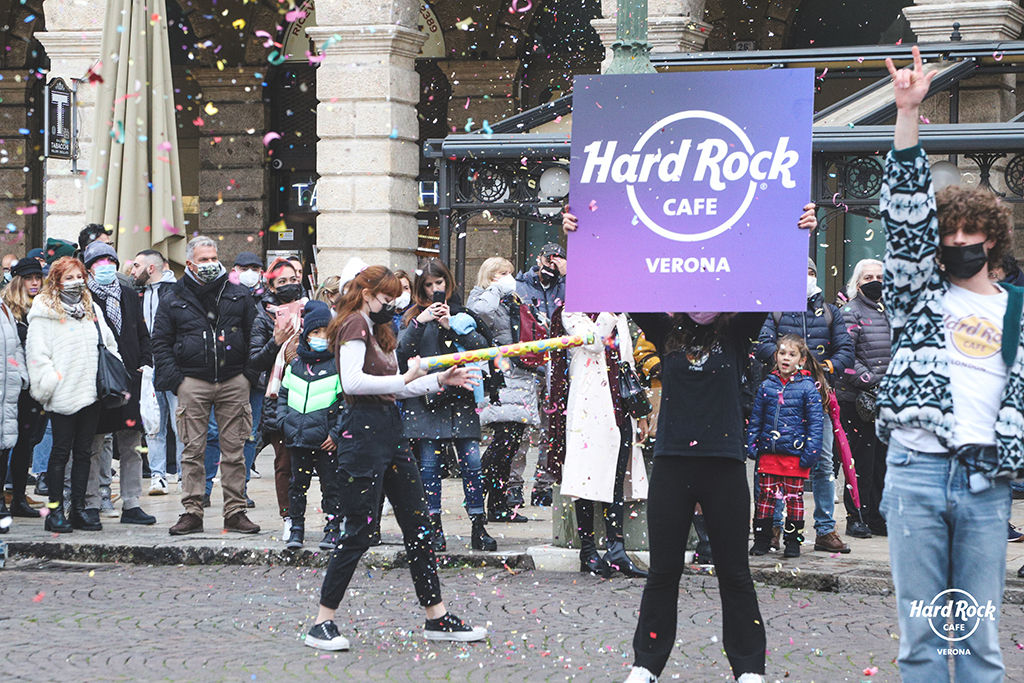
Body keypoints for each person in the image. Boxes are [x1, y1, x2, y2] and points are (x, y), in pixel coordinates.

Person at [564, 202, 817, 683]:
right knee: (663, 573)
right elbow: (611, 282)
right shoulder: (666, 330)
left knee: (734, 574)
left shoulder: (739, 331)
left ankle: (748, 668)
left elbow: (773, 276)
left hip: (722, 465)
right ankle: (646, 665)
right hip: (674, 463)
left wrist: (798, 229)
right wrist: (583, 234)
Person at [878, 46, 1022, 682]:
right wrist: (907, 113)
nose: (960, 243)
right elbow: (904, 213)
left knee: (979, 639)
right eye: (950, 234)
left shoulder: (1017, 310)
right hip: (915, 470)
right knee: (921, 639)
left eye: (972, 234)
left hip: (985, 483)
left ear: (994, 239)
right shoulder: (918, 295)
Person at [305, 265, 487, 651]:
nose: (392, 303)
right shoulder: (353, 323)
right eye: (386, 296)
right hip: (361, 433)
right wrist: (406, 379)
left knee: (418, 525)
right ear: (366, 291)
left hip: (389, 431)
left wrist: (437, 380)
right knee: (357, 530)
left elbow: (393, 389)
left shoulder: (379, 329)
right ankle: (322, 621)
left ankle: (436, 616)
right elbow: (354, 382)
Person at [152, 236, 260, 536]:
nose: (211, 264)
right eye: (204, 260)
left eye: (214, 258)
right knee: (192, 451)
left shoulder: (238, 294)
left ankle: (235, 512)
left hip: (233, 380)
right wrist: (177, 381)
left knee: (234, 451)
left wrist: (248, 374)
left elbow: (255, 335)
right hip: (192, 381)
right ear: (190, 264)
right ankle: (192, 512)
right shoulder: (173, 297)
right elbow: (160, 342)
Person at [755, 258, 854, 555]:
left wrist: (821, 369)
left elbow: (846, 350)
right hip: (781, 403)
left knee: (823, 465)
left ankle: (824, 529)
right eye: (800, 272)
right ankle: (773, 527)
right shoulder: (775, 311)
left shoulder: (831, 313)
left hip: (817, 401)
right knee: (775, 465)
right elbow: (762, 344)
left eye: (811, 272)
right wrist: (789, 364)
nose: (807, 277)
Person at [397, 259, 496, 552]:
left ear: (448, 282)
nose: (434, 290)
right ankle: (434, 528)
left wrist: (451, 326)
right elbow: (403, 354)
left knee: (472, 465)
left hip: (461, 399)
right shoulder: (412, 317)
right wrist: (422, 321)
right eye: (428, 285)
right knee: (429, 468)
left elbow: (484, 349)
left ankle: (479, 525)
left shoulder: (464, 314)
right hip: (427, 402)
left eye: (438, 283)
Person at [551, 308, 649, 578]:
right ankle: (588, 551)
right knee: (587, 477)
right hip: (588, 407)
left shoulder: (619, 316)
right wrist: (609, 315)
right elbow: (593, 342)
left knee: (616, 477)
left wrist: (640, 413)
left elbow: (626, 361)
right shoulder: (572, 313)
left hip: (619, 406)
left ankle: (616, 548)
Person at [26, 256, 120, 533]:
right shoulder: (44, 311)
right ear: (57, 281)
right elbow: (37, 354)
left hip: (91, 391)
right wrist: (49, 385)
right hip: (62, 393)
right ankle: (54, 511)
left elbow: (108, 342)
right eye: (69, 278)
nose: (76, 283)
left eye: (79, 276)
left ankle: (78, 508)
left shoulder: (91, 308)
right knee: (59, 453)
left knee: (84, 453)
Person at [82, 241, 156, 526]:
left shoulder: (128, 294)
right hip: (99, 380)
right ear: (89, 268)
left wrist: (145, 361)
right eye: (99, 263)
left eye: (110, 261)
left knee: (132, 444)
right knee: (94, 443)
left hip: (131, 379)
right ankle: (90, 502)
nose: (106, 267)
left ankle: (132, 502)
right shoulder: (84, 296)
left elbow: (142, 333)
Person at [467, 257, 540, 523]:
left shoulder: (515, 298)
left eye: (511, 272)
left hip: (521, 376)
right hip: (499, 378)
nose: (509, 277)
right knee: (502, 442)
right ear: (490, 275)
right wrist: (497, 289)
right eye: (502, 273)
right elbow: (479, 315)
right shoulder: (481, 296)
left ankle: (497, 504)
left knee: (511, 446)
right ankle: (478, 494)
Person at [747, 335, 825, 559]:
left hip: (794, 455)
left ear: (801, 360)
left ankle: (794, 542)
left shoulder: (808, 388)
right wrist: (752, 442)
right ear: (775, 356)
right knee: (765, 500)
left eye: (792, 355)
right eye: (782, 353)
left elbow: (815, 424)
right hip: (769, 454)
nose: (786, 358)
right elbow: (756, 418)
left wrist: (810, 452)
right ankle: (761, 540)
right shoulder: (767, 385)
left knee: (794, 500)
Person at [278, 300, 342, 550]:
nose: (320, 337)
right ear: (306, 335)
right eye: (316, 333)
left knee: (331, 486)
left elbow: (345, 403)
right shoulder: (295, 366)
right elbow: (283, 395)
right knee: (297, 486)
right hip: (299, 438)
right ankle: (296, 528)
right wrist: (285, 422)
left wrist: (336, 433)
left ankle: (333, 526)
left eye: (326, 332)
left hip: (326, 440)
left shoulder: (337, 365)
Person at [248, 257, 306, 535]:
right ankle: (289, 518)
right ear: (271, 284)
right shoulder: (262, 316)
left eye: (293, 279)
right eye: (282, 281)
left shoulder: (313, 310)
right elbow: (255, 361)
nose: (289, 286)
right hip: (278, 398)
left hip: (314, 394)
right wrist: (277, 341)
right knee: (285, 463)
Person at [835, 259, 891, 539]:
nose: (875, 281)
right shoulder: (850, 312)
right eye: (868, 277)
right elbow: (847, 356)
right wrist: (871, 379)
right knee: (860, 462)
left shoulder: (891, 311)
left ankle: (877, 516)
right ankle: (855, 516)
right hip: (857, 399)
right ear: (857, 283)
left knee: (882, 461)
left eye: (880, 276)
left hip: (887, 400)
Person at [131, 249, 180, 495]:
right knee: (153, 423)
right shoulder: (135, 294)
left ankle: (183, 474)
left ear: (151, 268)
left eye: (136, 265)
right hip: (149, 369)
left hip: (174, 367)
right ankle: (158, 475)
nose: (132, 270)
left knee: (179, 424)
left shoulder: (177, 291)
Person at [1, 257, 45, 520]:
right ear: (18, 280)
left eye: (38, 278)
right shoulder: (6, 309)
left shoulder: (40, 308)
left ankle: (18, 498)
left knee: (25, 446)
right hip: (11, 387)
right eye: (29, 278)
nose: (35, 283)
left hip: (33, 389)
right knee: (5, 444)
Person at [0, 261, 28, 532]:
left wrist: (22, 377)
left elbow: (15, 347)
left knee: (6, 445)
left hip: (10, 389)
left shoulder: (4, 310)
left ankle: (4, 502)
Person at [515, 242, 566, 324]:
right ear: (539, 261)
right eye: (548, 261)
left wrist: (567, 274)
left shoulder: (564, 287)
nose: (552, 267)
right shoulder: (519, 286)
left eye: (557, 264)